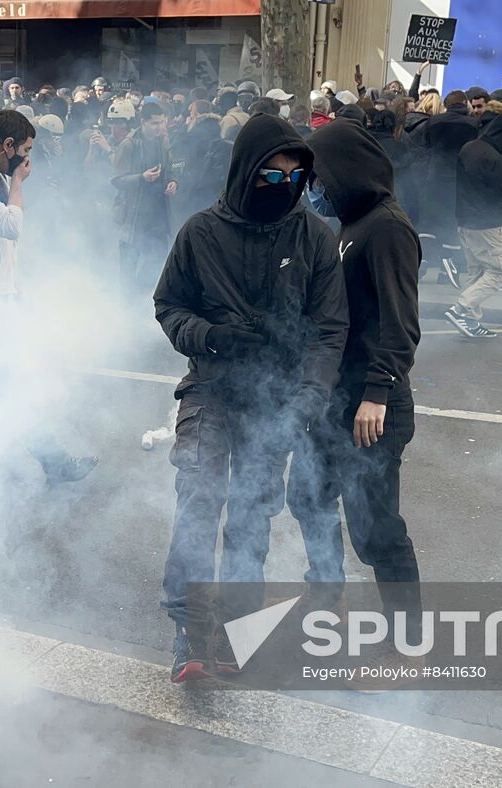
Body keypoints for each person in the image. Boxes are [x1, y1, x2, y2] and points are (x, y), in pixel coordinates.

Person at [153, 113, 348, 683]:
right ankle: (191, 629)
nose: (283, 187)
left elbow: (328, 328)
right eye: (272, 175)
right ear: (245, 172)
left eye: (295, 177)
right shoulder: (200, 232)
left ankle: (234, 629)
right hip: (211, 386)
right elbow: (170, 306)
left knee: (251, 515)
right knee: (198, 498)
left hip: (279, 400)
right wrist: (210, 336)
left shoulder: (315, 236)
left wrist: (307, 402)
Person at [290, 117, 422, 633]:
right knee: (305, 496)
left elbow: (402, 323)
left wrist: (377, 393)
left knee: (376, 532)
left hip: (370, 409)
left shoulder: (387, 227)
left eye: (317, 179)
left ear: (342, 171)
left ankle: (409, 643)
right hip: (334, 402)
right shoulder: (351, 223)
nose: (313, 191)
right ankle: (327, 595)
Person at [0, 109, 97, 485]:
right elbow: (10, 227)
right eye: (24, 149)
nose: (27, 158)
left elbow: (4, 247)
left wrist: (15, 292)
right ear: (7, 145)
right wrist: (19, 183)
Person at [444, 107, 502, 339]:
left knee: (476, 271)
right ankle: (461, 308)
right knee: (498, 270)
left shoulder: (469, 148)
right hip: (487, 222)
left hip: (465, 219)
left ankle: (471, 321)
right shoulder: (494, 158)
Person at [112, 101, 177, 299]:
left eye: (161, 123)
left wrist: (173, 181)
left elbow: (170, 167)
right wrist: (142, 177)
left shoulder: (163, 142)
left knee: (158, 260)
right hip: (133, 216)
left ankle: (140, 298)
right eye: (154, 124)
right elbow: (116, 180)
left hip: (158, 215)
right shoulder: (129, 145)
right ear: (143, 122)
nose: (159, 128)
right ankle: (126, 304)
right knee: (129, 264)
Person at [414, 90, 480, 286]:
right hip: (459, 179)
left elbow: (425, 146)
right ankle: (446, 269)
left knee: (427, 222)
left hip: (434, 177)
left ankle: (421, 262)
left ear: (447, 104)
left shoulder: (433, 122)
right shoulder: (473, 124)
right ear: (464, 103)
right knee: (451, 224)